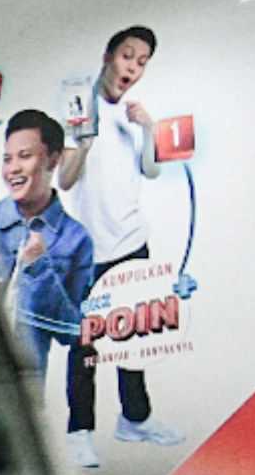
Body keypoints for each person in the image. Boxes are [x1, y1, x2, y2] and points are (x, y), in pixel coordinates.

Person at [57, 26, 184, 453]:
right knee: (85, 345)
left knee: (134, 343)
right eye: (128, 56)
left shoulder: (133, 116)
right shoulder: (79, 106)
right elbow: (65, 179)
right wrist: (83, 145)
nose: (133, 67)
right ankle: (80, 431)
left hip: (132, 244)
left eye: (142, 62)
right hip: (88, 251)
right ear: (107, 57)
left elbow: (151, 170)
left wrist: (148, 128)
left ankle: (135, 419)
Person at [0, 110, 100, 470]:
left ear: (53, 159)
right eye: (7, 159)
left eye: (25, 156)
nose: (13, 169)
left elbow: (71, 331)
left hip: (26, 397)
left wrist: (39, 268)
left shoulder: (76, 239)